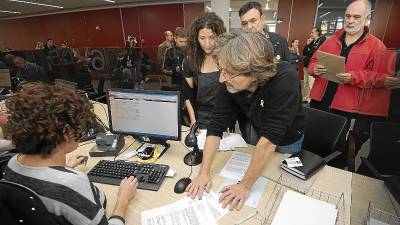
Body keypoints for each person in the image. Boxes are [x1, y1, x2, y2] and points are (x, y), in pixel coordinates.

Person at [186, 29, 305, 210]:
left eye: (228, 73)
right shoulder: (228, 80)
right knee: (263, 172)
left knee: (281, 185)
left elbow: (268, 143)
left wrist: (245, 185)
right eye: (221, 70)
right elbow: (215, 127)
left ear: (254, 73)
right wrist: (204, 172)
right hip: (263, 134)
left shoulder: (285, 78)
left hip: (287, 140)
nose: (221, 78)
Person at [3, 83, 138, 225]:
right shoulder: (71, 184)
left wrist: (63, 170)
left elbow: (37, 187)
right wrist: (123, 199)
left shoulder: (12, 163)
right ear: (66, 133)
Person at [308, 0, 400, 164]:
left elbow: (382, 78)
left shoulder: (377, 46)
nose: (350, 20)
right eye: (348, 16)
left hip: (347, 107)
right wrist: (314, 69)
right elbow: (312, 62)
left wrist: (354, 77)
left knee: (337, 147)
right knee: (313, 139)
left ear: (367, 18)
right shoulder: (330, 40)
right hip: (320, 101)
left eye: (356, 17)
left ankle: (331, 179)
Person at [183, 12, 230, 129]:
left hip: (224, 116)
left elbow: (232, 94)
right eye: (202, 38)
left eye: (212, 37)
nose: (207, 44)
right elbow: (188, 95)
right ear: (196, 38)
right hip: (199, 117)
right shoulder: (190, 62)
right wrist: (193, 120)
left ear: (219, 36)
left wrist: (228, 121)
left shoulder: (226, 58)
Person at [302, 27, 326, 100]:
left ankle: (310, 100)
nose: (311, 34)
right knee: (305, 83)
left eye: (312, 32)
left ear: (317, 32)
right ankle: (305, 98)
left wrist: (310, 49)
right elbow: (304, 52)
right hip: (306, 65)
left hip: (312, 67)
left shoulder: (322, 41)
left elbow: (315, 52)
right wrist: (308, 44)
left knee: (310, 83)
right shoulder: (312, 42)